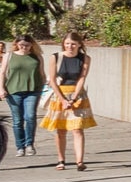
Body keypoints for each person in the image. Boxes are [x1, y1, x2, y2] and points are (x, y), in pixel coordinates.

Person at [37, 35, 93, 171]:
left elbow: (82, 78)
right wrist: (63, 100)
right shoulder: (56, 57)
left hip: (77, 95)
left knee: (77, 129)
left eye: (73, 44)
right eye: (67, 44)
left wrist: (73, 98)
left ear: (79, 44)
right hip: (59, 94)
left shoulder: (85, 58)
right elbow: (52, 80)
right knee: (61, 130)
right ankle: (61, 160)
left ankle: (80, 161)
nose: (70, 47)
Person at [0, 42, 41, 161]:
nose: (24, 47)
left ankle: (29, 144)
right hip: (14, 91)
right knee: (17, 120)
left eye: (27, 45)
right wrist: (0, 88)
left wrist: (43, 88)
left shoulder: (36, 56)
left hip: (32, 90)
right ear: (17, 45)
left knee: (30, 116)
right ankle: (20, 146)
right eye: (21, 45)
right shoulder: (9, 56)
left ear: (31, 45)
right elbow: (2, 73)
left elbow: (42, 73)